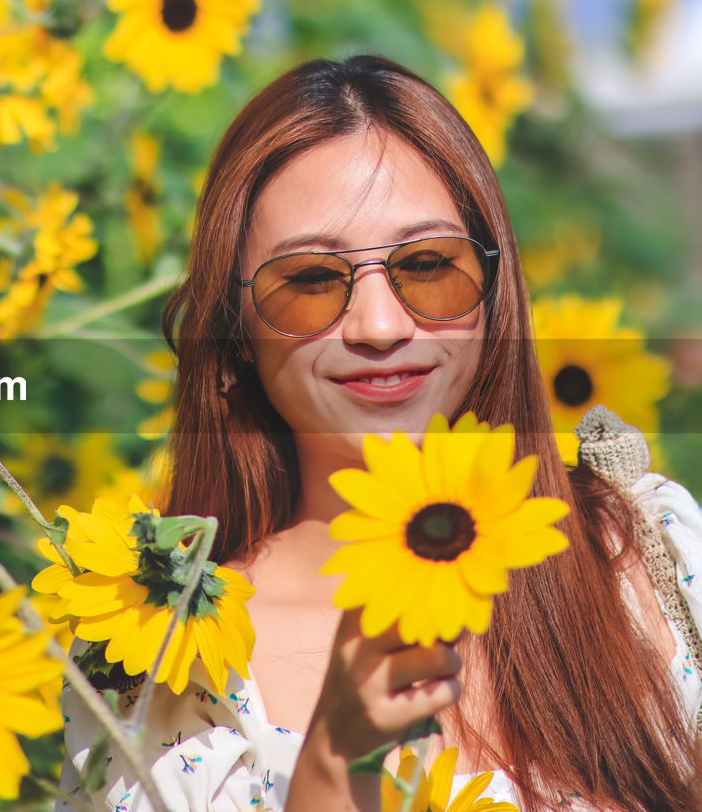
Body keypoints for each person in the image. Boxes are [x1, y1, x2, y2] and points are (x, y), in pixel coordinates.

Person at [56, 55, 702, 812]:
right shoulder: (166, 660)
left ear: (496, 292)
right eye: (309, 280)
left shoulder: (644, 554)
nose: (380, 325)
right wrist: (330, 777)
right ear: (233, 331)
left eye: (429, 266)